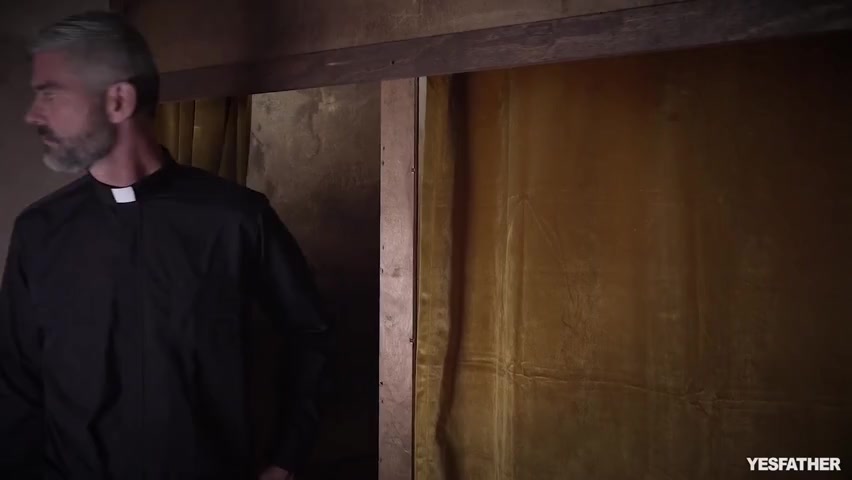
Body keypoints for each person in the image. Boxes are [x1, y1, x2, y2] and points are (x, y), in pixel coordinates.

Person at [0, 10, 329, 480]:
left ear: (118, 100)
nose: (34, 114)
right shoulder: (38, 232)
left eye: (51, 94)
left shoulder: (236, 219)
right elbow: (15, 380)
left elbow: (310, 337)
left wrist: (286, 459)